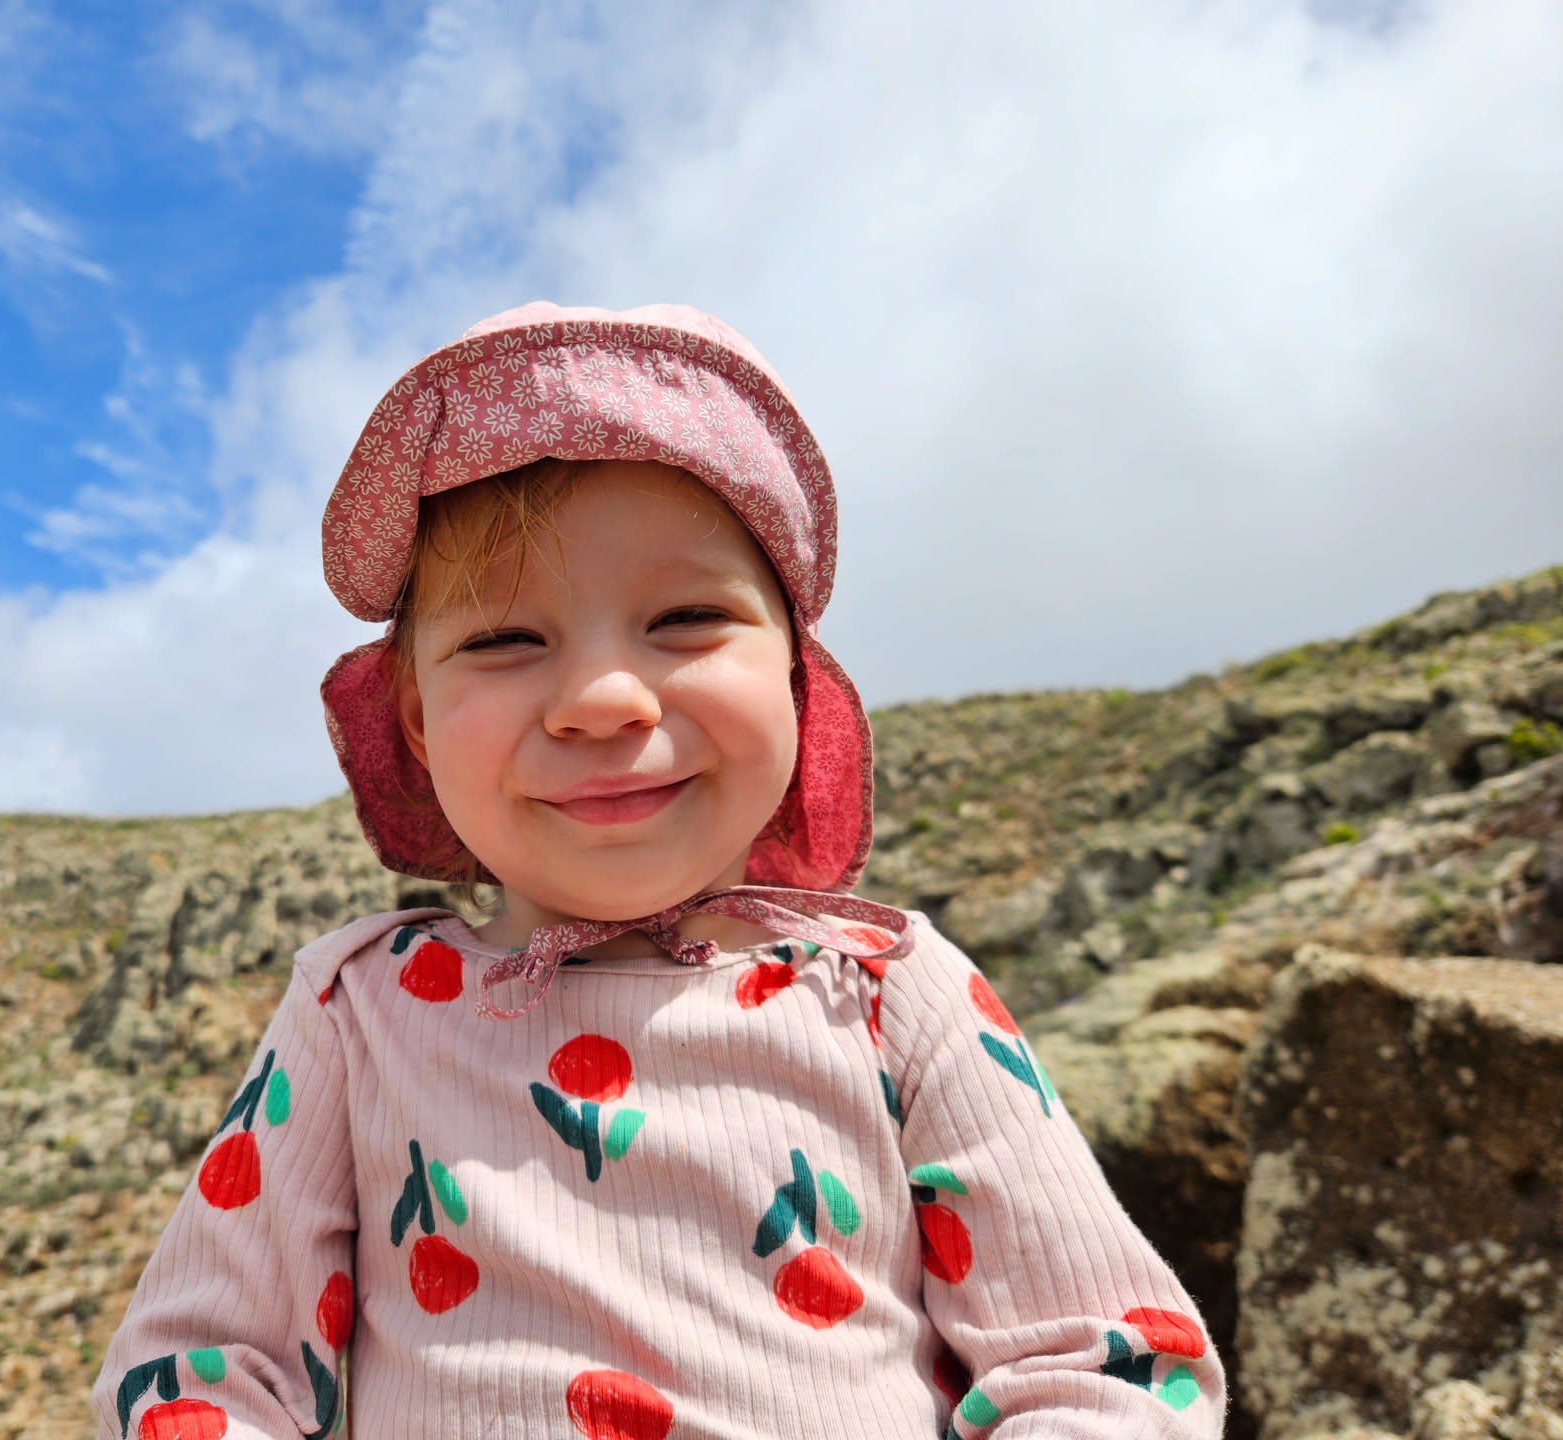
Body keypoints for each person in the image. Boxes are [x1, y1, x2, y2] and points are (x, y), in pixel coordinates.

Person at [91, 303, 1226, 1439]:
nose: (602, 700)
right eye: (503, 639)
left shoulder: (891, 996)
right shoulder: (357, 1014)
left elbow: (1107, 1365)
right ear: (418, 724)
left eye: (685, 618)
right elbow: (198, 1371)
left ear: (796, 683)